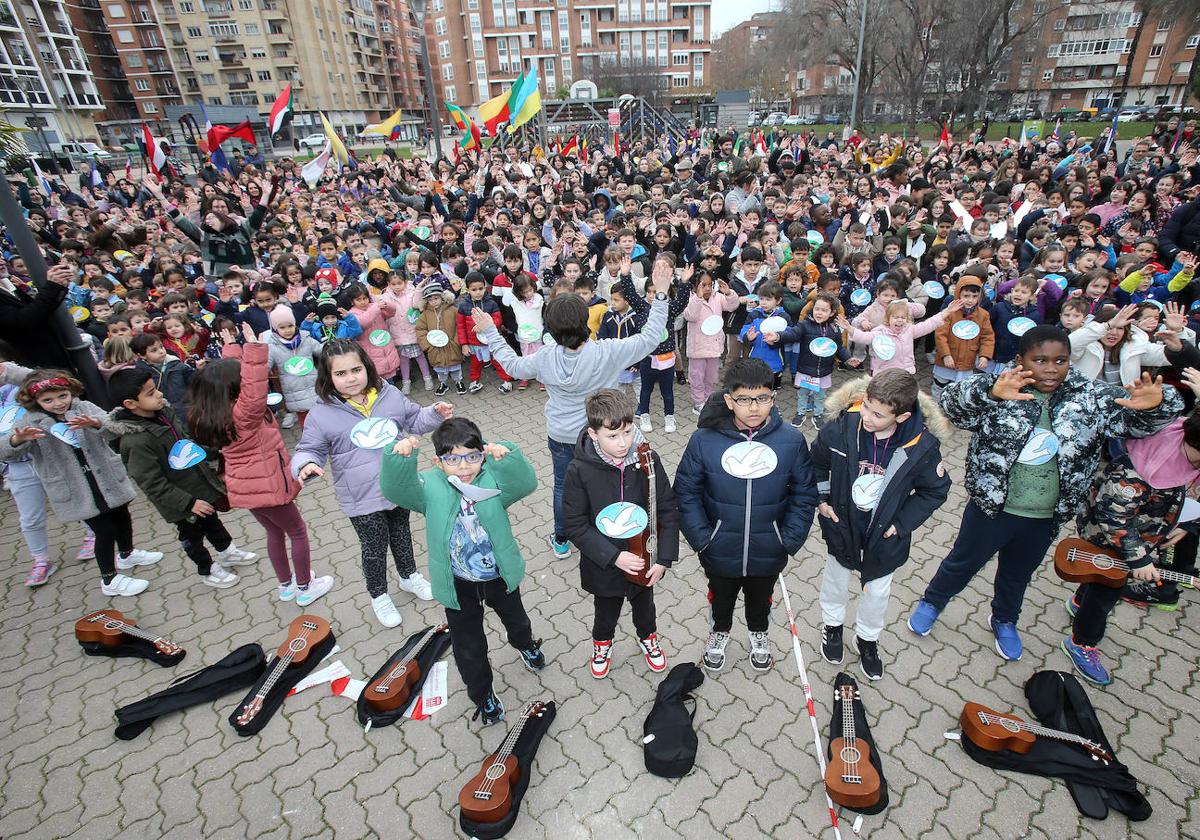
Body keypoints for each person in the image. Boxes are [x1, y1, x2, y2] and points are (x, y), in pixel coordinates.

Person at [908, 325, 1182, 661]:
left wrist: (1157, 406)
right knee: (961, 563)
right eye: (1039, 360)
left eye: (1060, 360)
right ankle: (932, 602)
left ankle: (1005, 619)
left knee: (1017, 575)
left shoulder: (1090, 397)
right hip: (992, 508)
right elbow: (949, 407)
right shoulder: (1003, 385)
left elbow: (1135, 426)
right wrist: (990, 391)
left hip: (1044, 516)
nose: (1050, 368)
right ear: (1020, 359)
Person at [470, 270, 669, 560]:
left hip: (561, 435)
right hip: (602, 436)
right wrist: (661, 295)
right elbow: (651, 337)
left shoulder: (544, 357)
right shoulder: (608, 352)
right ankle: (607, 531)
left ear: (550, 330)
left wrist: (490, 331)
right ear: (585, 320)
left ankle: (562, 539)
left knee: (564, 486)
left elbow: (512, 366)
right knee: (607, 483)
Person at [380, 418, 547, 725]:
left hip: (499, 575)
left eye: (472, 456)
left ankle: (525, 645)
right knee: (468, 646)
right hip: (457, 583)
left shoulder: (492, 480)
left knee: (517, 619)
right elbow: (396, 490)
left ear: (482, 455)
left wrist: (506, 455)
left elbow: (526, 484)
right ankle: (483, 696)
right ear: (437, 462)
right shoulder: (429, 487)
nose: (464, 466)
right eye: (452, 459)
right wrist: (398, 459)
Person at [292, 340, 451, 627]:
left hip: (398, 485)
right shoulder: (321, 413)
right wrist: (305, 464)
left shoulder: (388, 394)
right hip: (360, 497)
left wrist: (435, 413)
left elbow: (414, 419)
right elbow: (309, 448)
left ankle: (409, 577)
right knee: (374, 547)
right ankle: (379, 595)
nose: (351, 378)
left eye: (356, 369)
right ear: (328, 378)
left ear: (367, 366)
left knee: (401, 533)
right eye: (341, 374)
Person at [673, 359, 817, 673]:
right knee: (720, 596)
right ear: (728, 400)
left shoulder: (791, 442)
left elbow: (805, 494)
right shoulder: (704, 440)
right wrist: (702, 538)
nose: (754, 407)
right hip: (719, 547)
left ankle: (759, 632)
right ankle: (719, 630)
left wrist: (787, 539)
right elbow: (685, 492)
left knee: (760, 597)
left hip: (769, 548)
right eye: (744, 399)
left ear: (774, 397)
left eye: (763, 398)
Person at [809, 370, 952, 680]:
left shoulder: (922, 446)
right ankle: (832, 627)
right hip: (842, 524)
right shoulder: (842, 427)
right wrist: (822, 500)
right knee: (835, 579)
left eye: (877, 414)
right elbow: (815, 462)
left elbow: (935, 490)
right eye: (866, 407)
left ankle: (868, 639)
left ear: (901, 417)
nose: (867, 417)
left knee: (877, 592)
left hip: (885, 535)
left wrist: (901, 524)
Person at [189, 323, 334, 606]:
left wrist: (231, 349)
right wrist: (254, 349)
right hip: (268, 487)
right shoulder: (244, 415)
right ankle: (305, 586)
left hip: (248, 490)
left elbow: (232, 379)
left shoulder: (211, 413)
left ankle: (286, 586)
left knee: (274, 533)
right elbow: (254, 388)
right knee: (298, 532)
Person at [1061, 412, 1200, 685]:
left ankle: (1079, 601)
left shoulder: (1190, 450)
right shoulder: (1140, 467)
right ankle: (1082, 642)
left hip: (1139, 536)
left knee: (1096, 575)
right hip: (1110, 538)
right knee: (1106, 592)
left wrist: (1190, 525)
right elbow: (1112, 516)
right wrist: (1138, 560)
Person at [0, 369, 163, 595]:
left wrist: (96, 424)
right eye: (48, 400)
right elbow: (4, 451)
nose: (58, 404)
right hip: (76, 487)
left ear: (71, 391)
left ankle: (127, 553)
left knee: (122, 515)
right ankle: (109, 579)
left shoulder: (83, 407)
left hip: (105, 477)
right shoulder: (31, 421)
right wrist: (17, 439)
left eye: (62, 396)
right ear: (35, 400)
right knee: (104, 531)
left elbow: (114, 427)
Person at [562, 389, 678, 679]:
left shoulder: (648, 460)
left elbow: (667, 509)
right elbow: (574, 524)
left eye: (628, 432)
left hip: (644, 557)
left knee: (645, 606)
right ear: (593, 433)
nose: (623, 443)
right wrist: (613, 557)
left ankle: (647, 636)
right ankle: (602, 643)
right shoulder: (579, 469)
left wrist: (663, 559)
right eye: (612, 436)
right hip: (604, 562)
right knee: (606, 611)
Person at [107, 368, 257, 589]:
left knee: (212, 521)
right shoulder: (136, 441)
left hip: (197, 485)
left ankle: (227, 551)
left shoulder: (164, 415)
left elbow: (186, 443)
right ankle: (206, 569)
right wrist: (188, 503)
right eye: (150, 393)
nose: (159, 394)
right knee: (192, 535)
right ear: (131, 404)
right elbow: (151, 482)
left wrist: (215, 451)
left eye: (155, 389)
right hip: (180, 501)